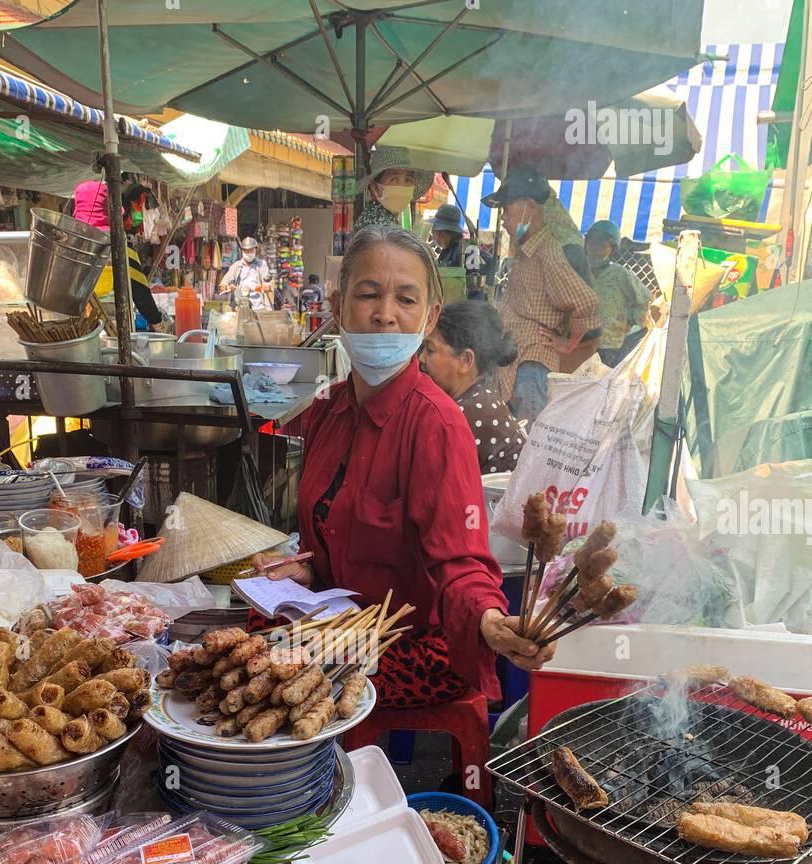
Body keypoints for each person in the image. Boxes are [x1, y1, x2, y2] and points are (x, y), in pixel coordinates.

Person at [250, 225, 555, 710]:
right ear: (337, 305)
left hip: (413, 644)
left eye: (406, 301)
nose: (384, 315)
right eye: (368, 294)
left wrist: (490, 620)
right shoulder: (328, 408)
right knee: (243, 648)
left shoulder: (438, 424)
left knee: (285, 686)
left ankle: (323, 783)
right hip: (337, 621)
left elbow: (462, 562)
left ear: (430, 316)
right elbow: (330, 530)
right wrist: (305, 570)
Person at [483, 167, 600, 426]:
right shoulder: (527, 248)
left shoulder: (548, 253)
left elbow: (586, 303)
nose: (503, 219)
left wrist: (568, 344)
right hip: (518, 359)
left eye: (507, 210)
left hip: (531, 367)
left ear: (529, 206)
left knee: (529, 441)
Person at [420, 300, 524, 474]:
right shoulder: (481, 396)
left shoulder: (466, 414)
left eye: (430, 350)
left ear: (466, 360)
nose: (421, 358)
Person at [69, 178, 164, 330]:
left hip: (77, 332)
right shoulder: (121, 247)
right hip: (114, 333)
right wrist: (159, 324)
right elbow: (141, 294)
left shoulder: (69, 246)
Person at [584, 219, 651, 367]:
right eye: (593, 242)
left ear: (612, 249)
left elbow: (644, 301)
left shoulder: (620, 275)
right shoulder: (577, 271)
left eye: (604, 244)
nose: (597, 247)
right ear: (586, 244)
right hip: (580, 342)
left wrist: (630, 320)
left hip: (611, 343)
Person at [353, 146, 434, 231]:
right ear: (375, 188)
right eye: (394, 179)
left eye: (408, 180)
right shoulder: (377, 224)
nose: (402, 187)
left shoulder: (383, 218)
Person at [219, 236, 273, 311]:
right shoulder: (236, 266)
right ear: (242, 251)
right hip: (239, 305)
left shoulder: (262, 265)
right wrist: (226, 286)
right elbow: (224, 283)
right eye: (246, 251)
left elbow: (267, 284)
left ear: (255, 250)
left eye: (251, 251)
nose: (249, 253)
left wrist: (263, 286)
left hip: (259, 306)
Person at [429, 203, 465, 267]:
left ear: (441, 232)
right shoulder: (448, 250)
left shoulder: (460, 251)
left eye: (433, 231)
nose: (433, 237)